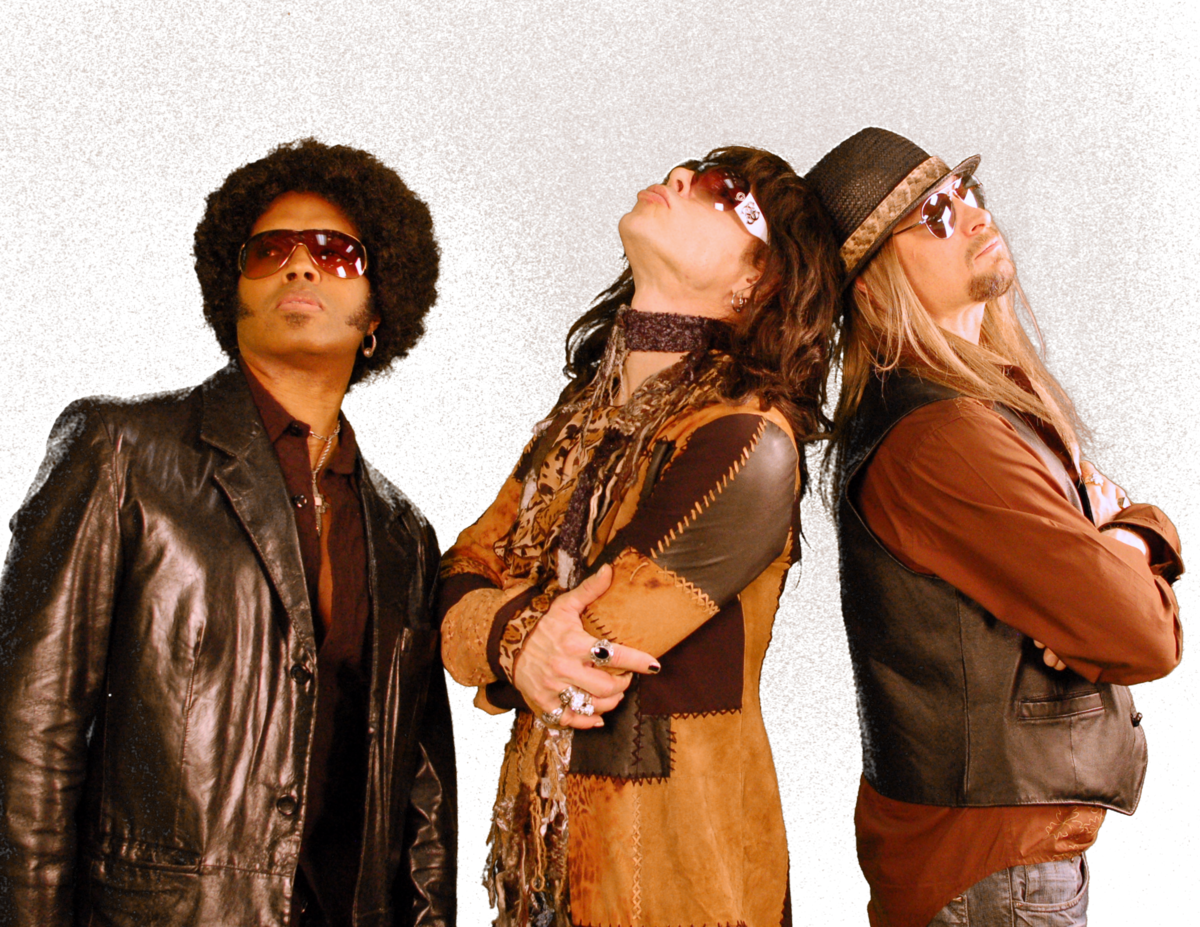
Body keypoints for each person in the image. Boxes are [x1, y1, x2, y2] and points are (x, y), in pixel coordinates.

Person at [0, 136, 457, 927]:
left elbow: (423, 800)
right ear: (233, 293)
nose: (300, 266)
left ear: (377, 312)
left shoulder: (403, 534)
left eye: (334, 253)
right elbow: (29, 740)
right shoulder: (118, 451)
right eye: (269, 251)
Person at [438, 145, 841, 926]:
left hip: (676, 880)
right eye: (687, 168)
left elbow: (587, 646)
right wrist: (516, 642)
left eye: (726, 191)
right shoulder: (574, 426)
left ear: (757, 282)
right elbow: (463, 566)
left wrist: (497, 635)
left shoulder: (748, 442)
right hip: (543, 866)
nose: (681, 179)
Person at [805, 126, 1184, 926]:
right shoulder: (944, 439)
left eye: (965, 192)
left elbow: (1116, 524)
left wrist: (1126, 537)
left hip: (993, 866)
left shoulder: (979, 405)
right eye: (934, 216)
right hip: (993, 876)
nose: (974, 215)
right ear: (872, 291)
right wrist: (1116, 545)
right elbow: (1144, 634)